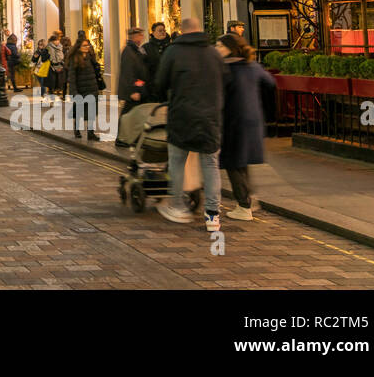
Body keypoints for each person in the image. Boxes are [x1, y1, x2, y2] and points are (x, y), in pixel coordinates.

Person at [154, 17, 225, 232]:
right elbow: (226, 80)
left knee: (177, 161)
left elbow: (159, 83)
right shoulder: (213, 53)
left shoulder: (173, 52)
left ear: (182, 32)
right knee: (211, 165)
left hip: (182, 116)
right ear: (199, 30)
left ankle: (177, 207)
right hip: (210, 118)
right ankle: (212, 215)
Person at [218, 33, 275, 221]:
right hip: (252, 120)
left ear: (230, 48)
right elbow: (271, 84)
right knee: (241, 160)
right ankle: (250, 198)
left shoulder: (225, 69)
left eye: (220, 45)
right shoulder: (252, 66)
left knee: (232, 162)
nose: (217, 48)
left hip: (233, 120)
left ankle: (244, 206)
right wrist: (265, 111)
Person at [115, 27, 149, 148]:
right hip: (132, 90)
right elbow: (128, 73)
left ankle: (130, 137)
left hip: (137, 88)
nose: (142, 37)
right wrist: (133, 91)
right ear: (133, 36)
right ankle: (121, 138)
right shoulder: (129, 51)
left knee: (133, 115)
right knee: (126, 115)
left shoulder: (136, 50)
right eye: (140, 35)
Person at [65, 36, 103, 141]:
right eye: (84, 45)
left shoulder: (91, 56)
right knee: (79, 111)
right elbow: (72, 77)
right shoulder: (75, 59)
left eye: (88, 45)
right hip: (81, 90)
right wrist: (74, 92)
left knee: (91, 112)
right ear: (78, 47)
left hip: (92, 88)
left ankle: (91, 133)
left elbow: (94, 72)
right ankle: (76, 129)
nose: (87, 47)